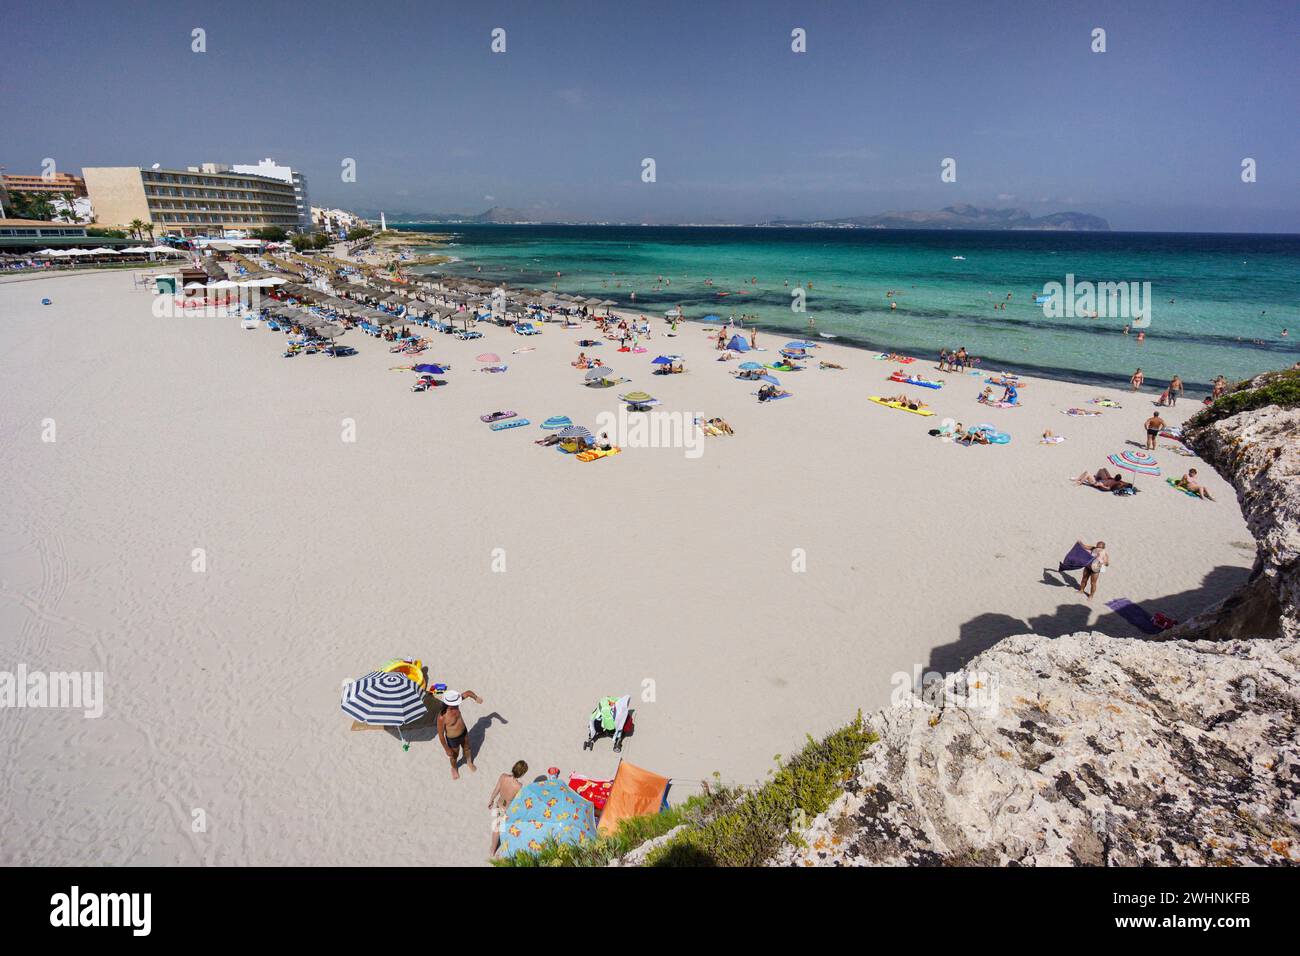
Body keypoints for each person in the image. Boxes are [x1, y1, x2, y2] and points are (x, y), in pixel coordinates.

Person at [438, 689, 484, 780]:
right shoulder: (442, 717)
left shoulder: (456, 705)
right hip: (452, 739)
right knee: (454, 756)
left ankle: (469, 762)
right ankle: (454, 768)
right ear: (448, 704)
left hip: (464, 732)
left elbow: (468, 693)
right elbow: (440, 735)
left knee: (467, 748)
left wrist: (476, 698)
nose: (457, 704)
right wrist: (446, 748)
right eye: (455, 703)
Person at [489, 760, 528, 855]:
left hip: (499, 805)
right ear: (522, 774)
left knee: (496, 829)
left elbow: (496, 789)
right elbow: (518, 802)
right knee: (506, 830)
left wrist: (491, 799)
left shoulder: (503, 776)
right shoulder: (519, 786)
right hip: (508, 810)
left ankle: (492, 850)